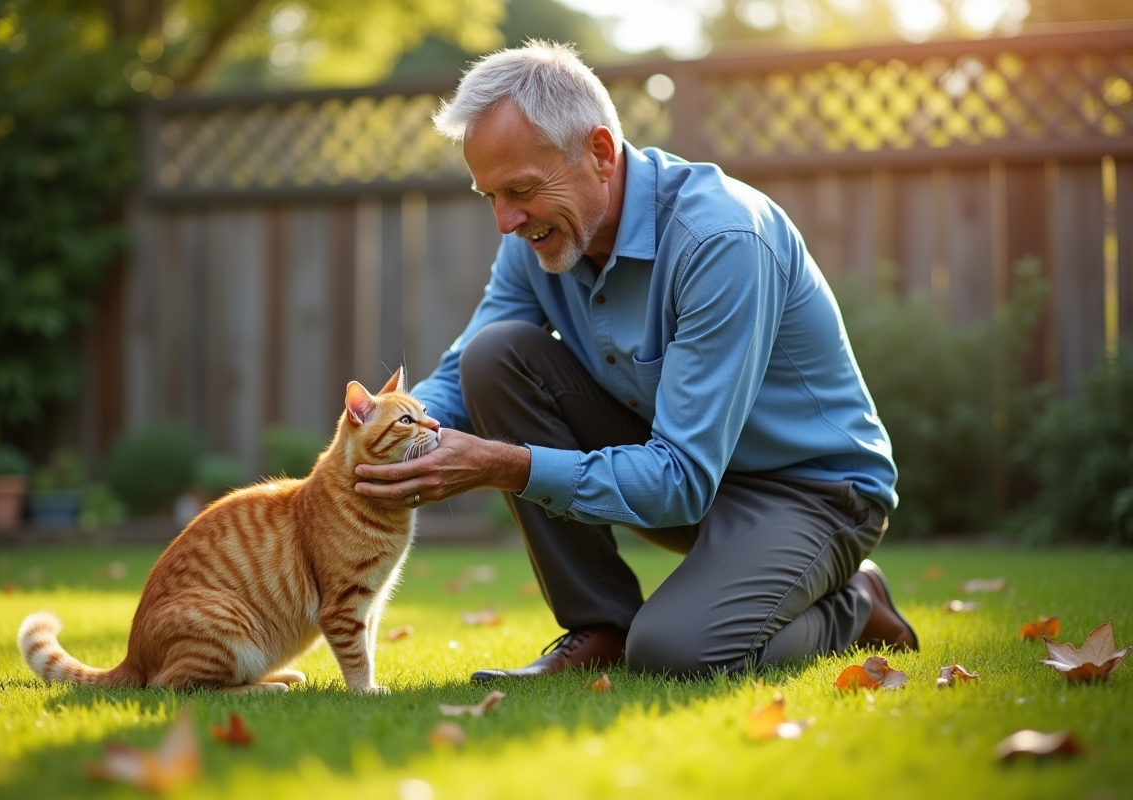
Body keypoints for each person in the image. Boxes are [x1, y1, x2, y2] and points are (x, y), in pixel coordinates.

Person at [353, 40, 918, 681]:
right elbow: (461, 373)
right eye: (489, 195)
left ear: (598, 153)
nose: (505, 220)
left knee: (677, 652)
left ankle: (855, 602)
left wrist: (504, 466)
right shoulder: (541, 237)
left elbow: (680, 478)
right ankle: (601, 628)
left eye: (520, 190)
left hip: (812, 493)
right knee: (494, 356)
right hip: (691, 480)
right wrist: (382, 437)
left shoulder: (721, 240)